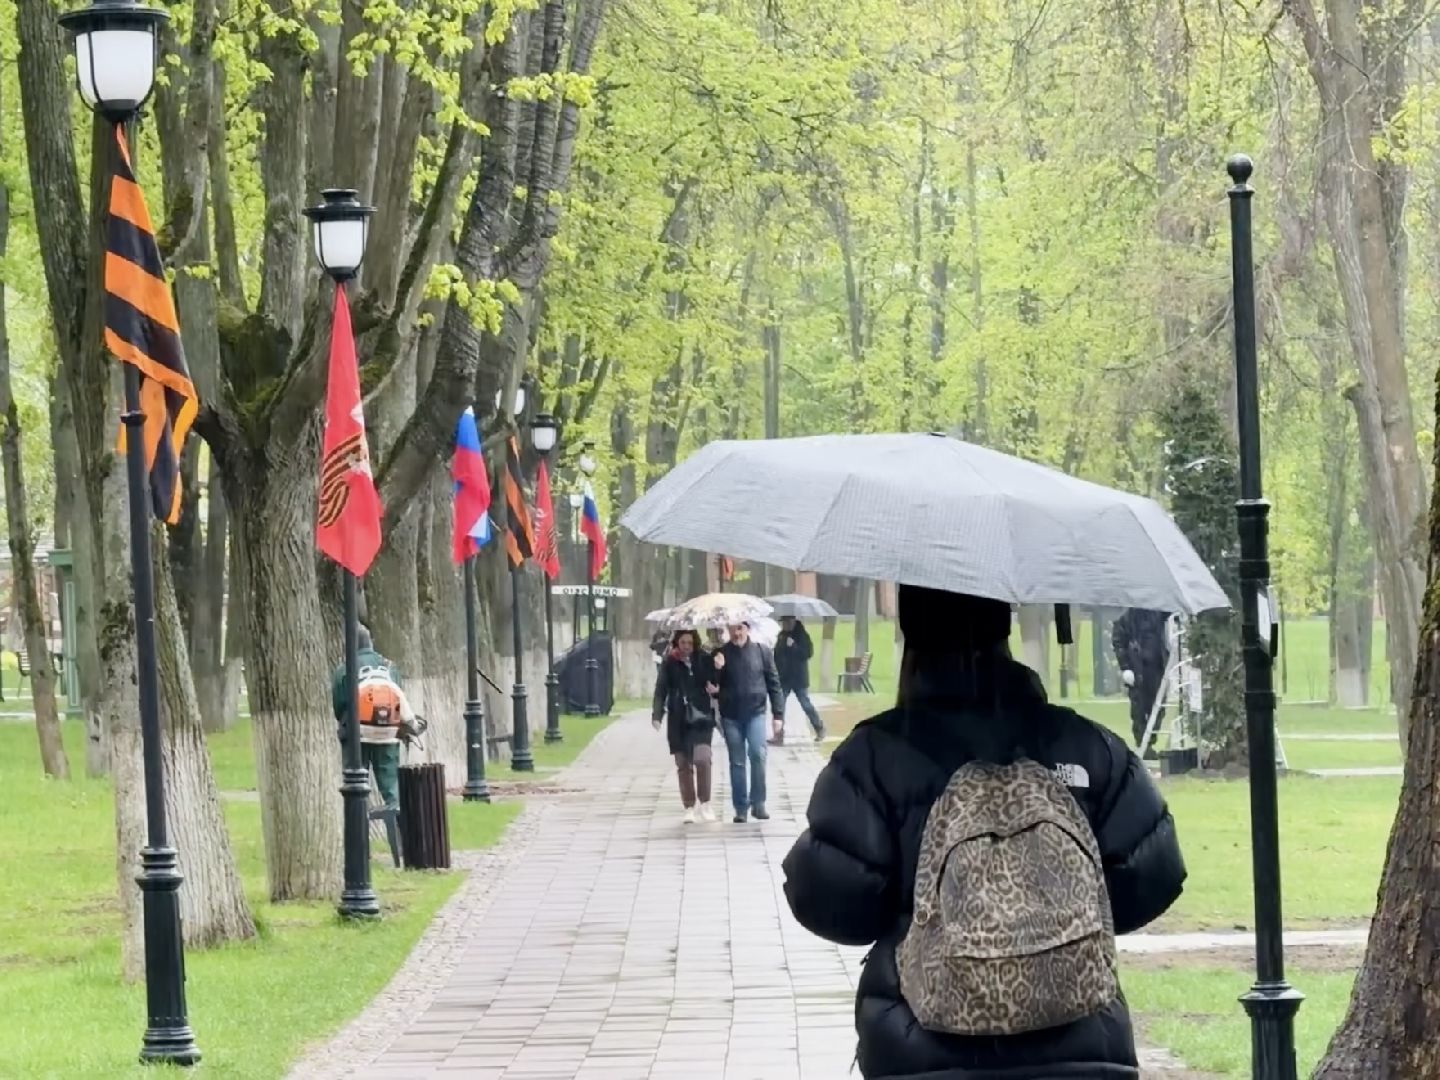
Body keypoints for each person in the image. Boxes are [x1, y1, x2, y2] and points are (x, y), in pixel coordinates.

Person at [783, 585, 1186, 1079]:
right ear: (1004, 624)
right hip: (1080, 1044)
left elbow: (833, 903)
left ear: (913, 630)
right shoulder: (1088, 747)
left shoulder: (873, 758)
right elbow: (1151, 878)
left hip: (920, 1047)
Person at [331, 625, 418, 811]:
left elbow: (338, 706)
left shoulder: (344, 669)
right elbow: (397, 696)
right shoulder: (389, 667)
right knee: (392, 789)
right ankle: (399, 834)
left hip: (356, 735)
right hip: (387, 734)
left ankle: (358, 830)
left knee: (355, 788)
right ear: (371, 642)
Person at [712, 620, 784, 823]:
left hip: (756, 712)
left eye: (740, 628)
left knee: (757, 753)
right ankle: (741, 807)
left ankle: (758, 802)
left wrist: (778, 715)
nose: (736, 633)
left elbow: (774, 683)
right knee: (737, 761)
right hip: (731, 715)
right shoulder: (721, 654)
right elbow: (711, 686)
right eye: (732, 628)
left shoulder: (762, 652)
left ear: (748, 629)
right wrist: (717, 669)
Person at [651, 629, 718, 824]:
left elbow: (716, 682)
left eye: (690, 642)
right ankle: (689, 806)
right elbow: (660, 690)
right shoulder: (669, 663)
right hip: (678, 720)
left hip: (701, 718)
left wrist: (718, 670)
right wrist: (657, 715)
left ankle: (705, 802)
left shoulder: (704, 659)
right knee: (683, 764)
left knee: (703, 758)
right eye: (683, 643)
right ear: (677, 644)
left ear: (694, 643)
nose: (686, 646)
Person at [1112, 608, 1171, 753]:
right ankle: (1143, 743)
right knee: (1139, 708)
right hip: (1137, 667)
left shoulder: (1157, 613)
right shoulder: (1127, 618)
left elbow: (1169, 612)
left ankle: (1149, 740)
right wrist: (1125, 666)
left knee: (1158, 706)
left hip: (1157, 667)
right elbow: (1118, 641)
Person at [773, 615, 825, 745]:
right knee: (780, 705)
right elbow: (777, 655)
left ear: (792, 622)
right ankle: (778, 734)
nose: (784, 625)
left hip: (798, 677)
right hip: (784, 677)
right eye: (783, 623)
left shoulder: (802, 635)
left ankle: (819, 727)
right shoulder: (781, 636)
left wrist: (794, 646)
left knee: (805, 704)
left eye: (786, 622)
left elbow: (807, 653)